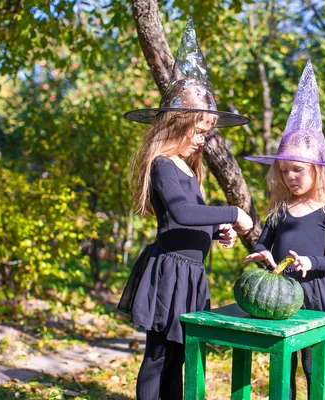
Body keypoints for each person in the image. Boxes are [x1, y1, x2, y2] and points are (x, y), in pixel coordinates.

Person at [117, 18, 253, 400]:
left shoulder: (188, 170)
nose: (203, 140)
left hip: (191, 275)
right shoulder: (161, 164)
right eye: (198, 131)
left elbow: (195, 218)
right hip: (168, 273)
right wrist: (233, 214)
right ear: (177, 125)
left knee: (181, 356)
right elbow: (179, 213)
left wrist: (215, 232)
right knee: (159, 356)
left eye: (207, 133)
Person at [243, 60, 325, 400]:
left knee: (313, 364)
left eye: (298, 170)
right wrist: (263, 255)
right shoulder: (279, 209)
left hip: (315, 296)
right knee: (284, 364)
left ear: (317, 170)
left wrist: (310, 261)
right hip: (280, 294)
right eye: (285, 171)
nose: (291, 177)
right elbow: (264, 242)